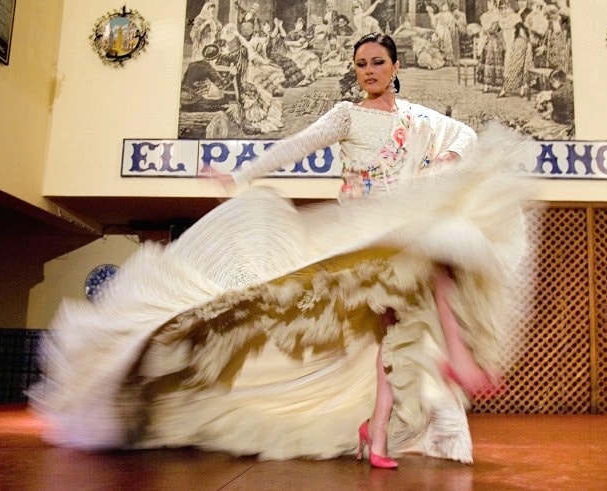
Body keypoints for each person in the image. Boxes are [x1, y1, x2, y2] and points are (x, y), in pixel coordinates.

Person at [30, 33, 533, 468]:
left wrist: (446, 156)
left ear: (396, 67)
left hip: (397, 222)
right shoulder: (346, 114)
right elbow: (295, 145)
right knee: (415, 286)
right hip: (359, 231)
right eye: (361, 64)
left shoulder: (418, 119)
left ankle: (379, 427)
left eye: (378, 62)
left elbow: (462, 135)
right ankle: (447, 369)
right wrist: (241, 175)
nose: (369, 71)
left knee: (411, 302)